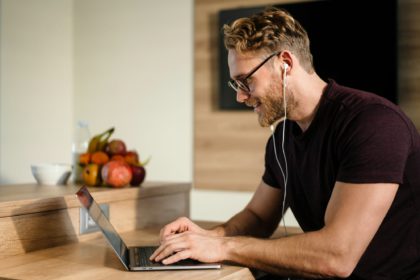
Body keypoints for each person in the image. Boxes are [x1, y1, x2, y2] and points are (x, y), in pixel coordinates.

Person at [150, 7, 420, 279]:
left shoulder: (373, 123)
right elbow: (257, 216)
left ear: (286, 64)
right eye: (236, 85)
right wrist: (208, 236)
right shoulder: (282, 137)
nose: (240, 97)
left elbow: (337, 256)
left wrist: (222, 246)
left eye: (246, 81)